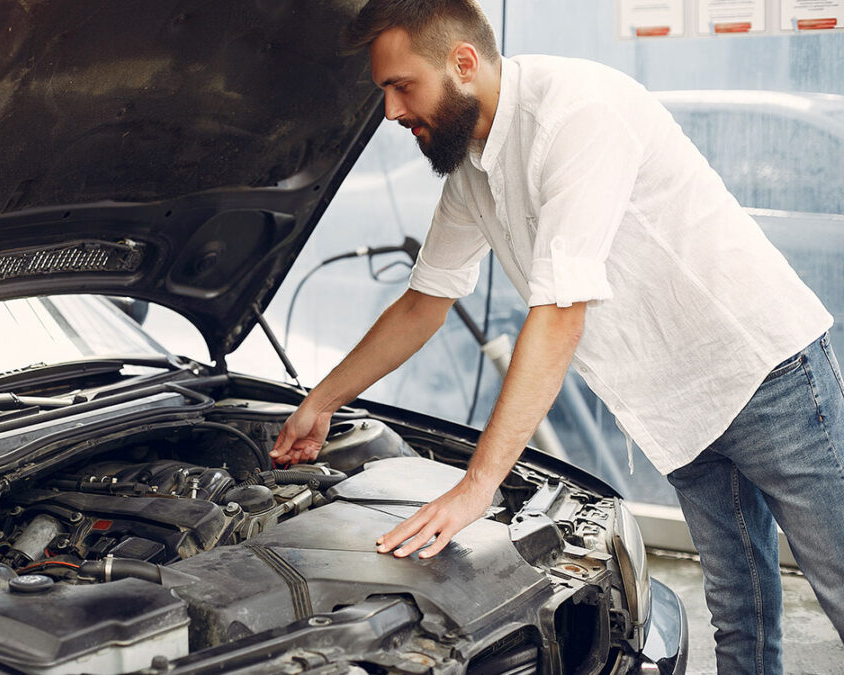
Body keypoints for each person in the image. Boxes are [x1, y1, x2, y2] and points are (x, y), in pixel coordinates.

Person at [269, 1, 844, 673]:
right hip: (677, 410)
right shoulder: (470, 168)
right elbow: (426, 300)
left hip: (764, 373)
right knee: (739, 612)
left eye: (402, 86)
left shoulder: (575, 114)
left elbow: (561, 310)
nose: (391, 111)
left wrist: (479, 484)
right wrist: (322, 400)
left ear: (462, 63)